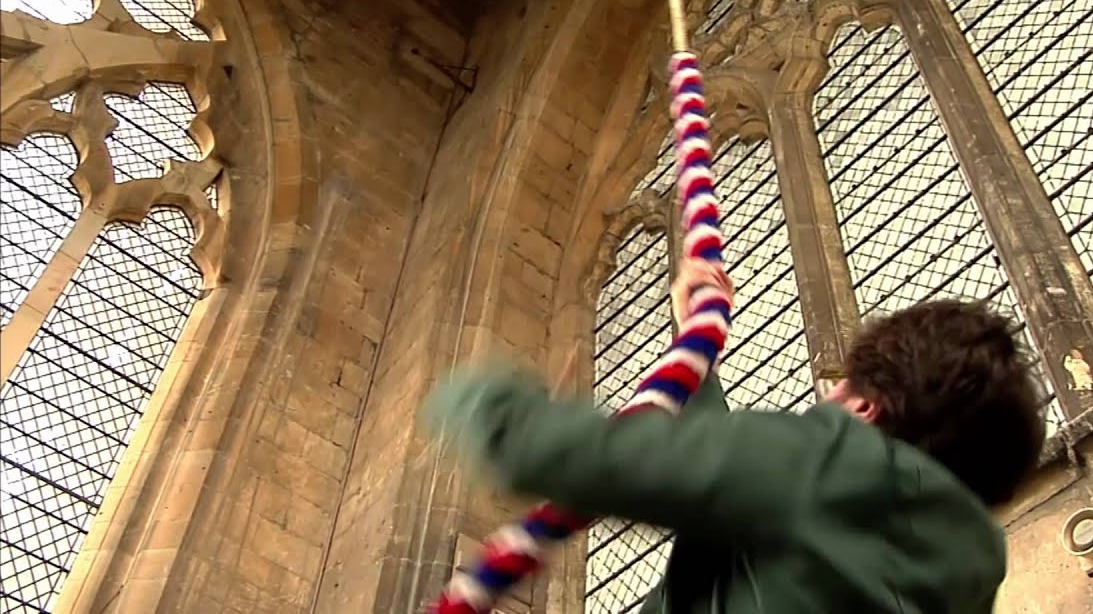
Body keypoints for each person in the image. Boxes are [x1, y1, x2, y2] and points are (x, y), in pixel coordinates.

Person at [420, 257, 1046, 612]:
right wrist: (695, 351)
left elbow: (608, 459)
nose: (824, 397)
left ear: (864, 412)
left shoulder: (833, 465)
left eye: (838, 387)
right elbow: (737, 498)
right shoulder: (961, 574)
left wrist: (479, 398)